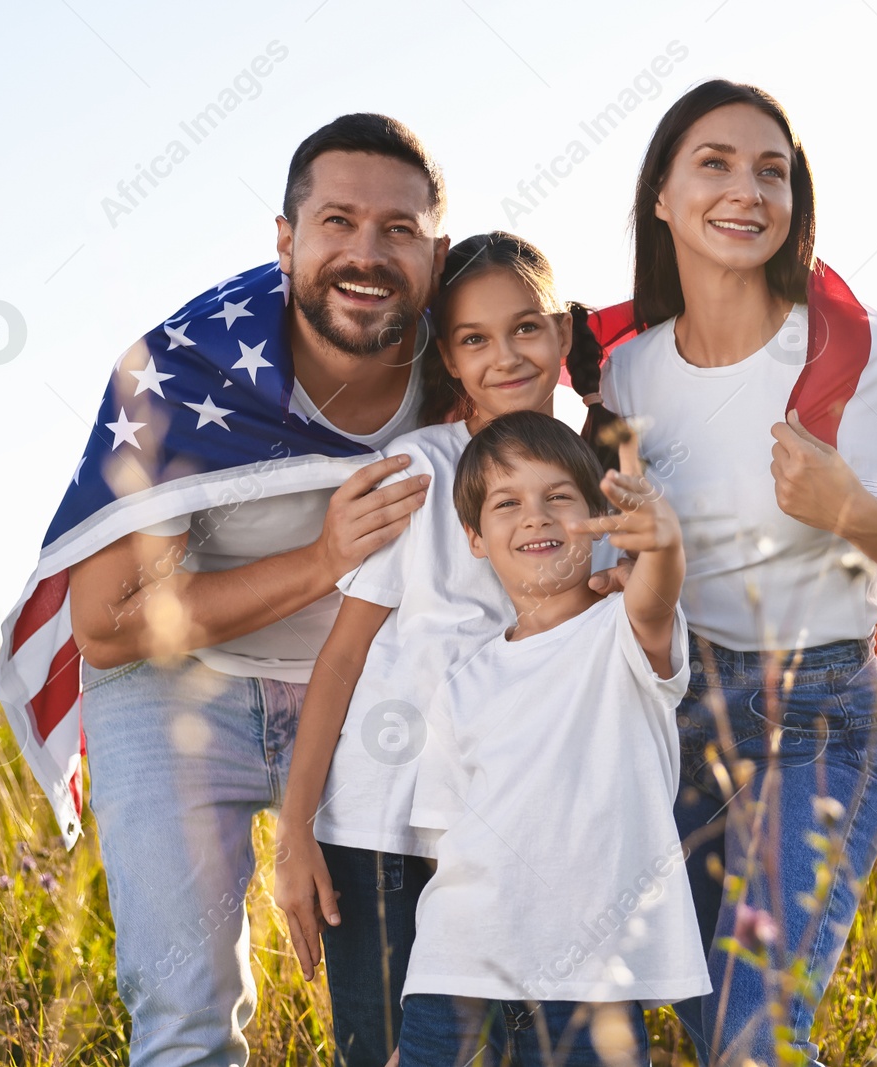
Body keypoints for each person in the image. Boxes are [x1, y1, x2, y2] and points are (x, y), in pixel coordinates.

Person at [33, 114, 447, 1067]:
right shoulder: (188, 366)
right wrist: (321, 558)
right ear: (285, 239)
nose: (366, 254)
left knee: (404, 1015)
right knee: (186, 1014)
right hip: (180, 684)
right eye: (336, 221)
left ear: (438, 250)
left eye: (398, 230)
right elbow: (106, 625)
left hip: (366, 692)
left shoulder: (462, 356)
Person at [595, 80, 877, 1065]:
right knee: (701, 1018)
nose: (747, 190)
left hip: (814, 716)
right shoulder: (626, 371)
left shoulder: (848, 353)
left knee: (748, 1035)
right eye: (715, 163)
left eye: (772, 170)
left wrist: (849, 511)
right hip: (675, 719)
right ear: (661, 194)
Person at [271, 232, 622, 1063]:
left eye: (527, 328)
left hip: (526, 836)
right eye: (475, 338)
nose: (506, 355)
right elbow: (344, 657)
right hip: (387, 839)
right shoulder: (420, 471)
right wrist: (295, 833)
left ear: (563, 338)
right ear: (450, 359)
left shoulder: (602, 489)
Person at [392, 410, 710, 1067]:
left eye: (558, 497)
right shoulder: (463, 681)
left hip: (588, 963)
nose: (535, 516)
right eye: (507, 503)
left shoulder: (623, 633)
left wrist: (664, 541)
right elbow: (444, 838)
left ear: (598, 517)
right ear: (476, 538)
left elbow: (656, 591)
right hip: (458, 957)